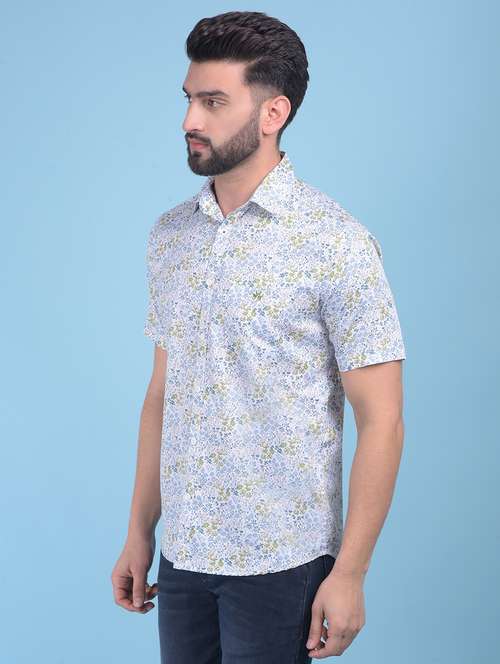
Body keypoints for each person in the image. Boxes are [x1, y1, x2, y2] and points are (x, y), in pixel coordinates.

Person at [111, 10, 407, 663]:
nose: (190, 119)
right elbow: (162, 395)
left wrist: (350, 573)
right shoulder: (171, 237)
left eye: (214, 102)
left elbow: (382, 420)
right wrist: (140, 531)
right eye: (189, 98)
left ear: (274, 113)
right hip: (184, 554)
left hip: (282, 560)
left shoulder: (337, 243)